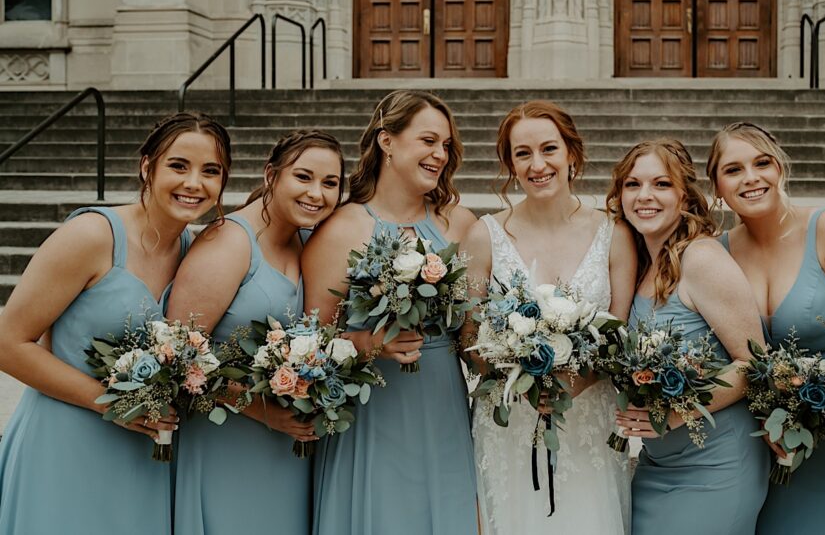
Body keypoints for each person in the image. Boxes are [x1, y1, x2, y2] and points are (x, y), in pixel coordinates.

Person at [0, 112, 231, 535]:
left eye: (210, 172)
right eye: (178, 166)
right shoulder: (91, 236)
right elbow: (8, 343)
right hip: (64, 443)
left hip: (143, 458)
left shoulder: (199, 253)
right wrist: (109, 403)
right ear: (147, 166)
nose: (194, 183)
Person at [303, 90, 478, 535]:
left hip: (441, 401)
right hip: (372, 409)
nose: (440, 154)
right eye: (428, 141)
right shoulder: (342, 228)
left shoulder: (459, 224)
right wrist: (367, 343)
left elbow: (475, 330)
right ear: (387, 141)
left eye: (446, 146)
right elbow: (310, 340)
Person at [462, 100, 636, 534]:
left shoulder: (614, 234)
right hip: (510, 421)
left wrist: (575, 383)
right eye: (523, 154)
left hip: (589, 421)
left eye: (549, 149)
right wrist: (519, 383)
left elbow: (621, 333)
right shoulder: (484, 236)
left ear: (571, 154)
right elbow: (467, 338)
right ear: (510, 164)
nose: (537, 165)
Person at [707, 122, 825, 533]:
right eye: (733, 170)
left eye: (761, 163)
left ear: (780, 169)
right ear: (717, 186)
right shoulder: (718, 254)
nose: (751, 178)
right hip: (765, 457)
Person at [168, 129, 344, 534]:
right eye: (303, 177)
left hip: (284, 445)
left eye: (330, 183)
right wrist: (261, 411)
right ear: (271, 176)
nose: (316, 193)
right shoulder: (228, 241)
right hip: (226, 437)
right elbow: (177, 357)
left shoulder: (308, 240)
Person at [608, 138, 768, 535]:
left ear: (685, 196)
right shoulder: (642, 263)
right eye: (632, 184)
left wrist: (673, 414)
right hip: (657, 464)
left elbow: (755, 363)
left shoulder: (702, 259)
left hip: (715, 464)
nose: (645, 196)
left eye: (661, 184)